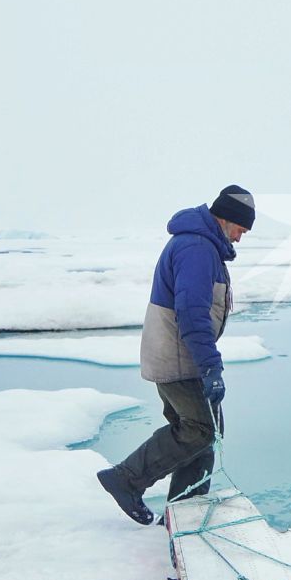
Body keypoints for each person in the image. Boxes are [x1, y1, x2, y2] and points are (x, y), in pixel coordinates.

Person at [96, 186, 256, 525]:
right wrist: (211, 366)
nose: (241, 238)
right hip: (181, 358)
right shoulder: (197, 248)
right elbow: (192, 312)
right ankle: (126, 479)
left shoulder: (201, 244)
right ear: (226, 219)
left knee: (201, 433)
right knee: (200, 430)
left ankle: (185, 514)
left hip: (180, 354)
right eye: (242, 229)